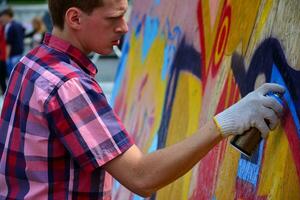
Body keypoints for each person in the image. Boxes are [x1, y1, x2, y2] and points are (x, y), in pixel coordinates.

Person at [0, 0, 285, 199]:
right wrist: (224, 123)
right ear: (74, 18)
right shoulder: (69, 86)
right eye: (113, 18)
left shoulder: (32, 63)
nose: (124, 27)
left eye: (125, 14)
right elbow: (142, 178)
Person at [0, 7, 25, 77]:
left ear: (7, 16)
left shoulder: (9, 26)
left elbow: (9, 43)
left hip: (13, 55)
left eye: (2, 17)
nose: (1, 19)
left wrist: (6, 58)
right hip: (19, 53)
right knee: (18, 76)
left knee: (12, 77)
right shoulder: (19, 24)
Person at [0, 24, 6, 95]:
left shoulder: (3, 29)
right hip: (2, 56)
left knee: (2, 76)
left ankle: (4, 91)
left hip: (3, 56)